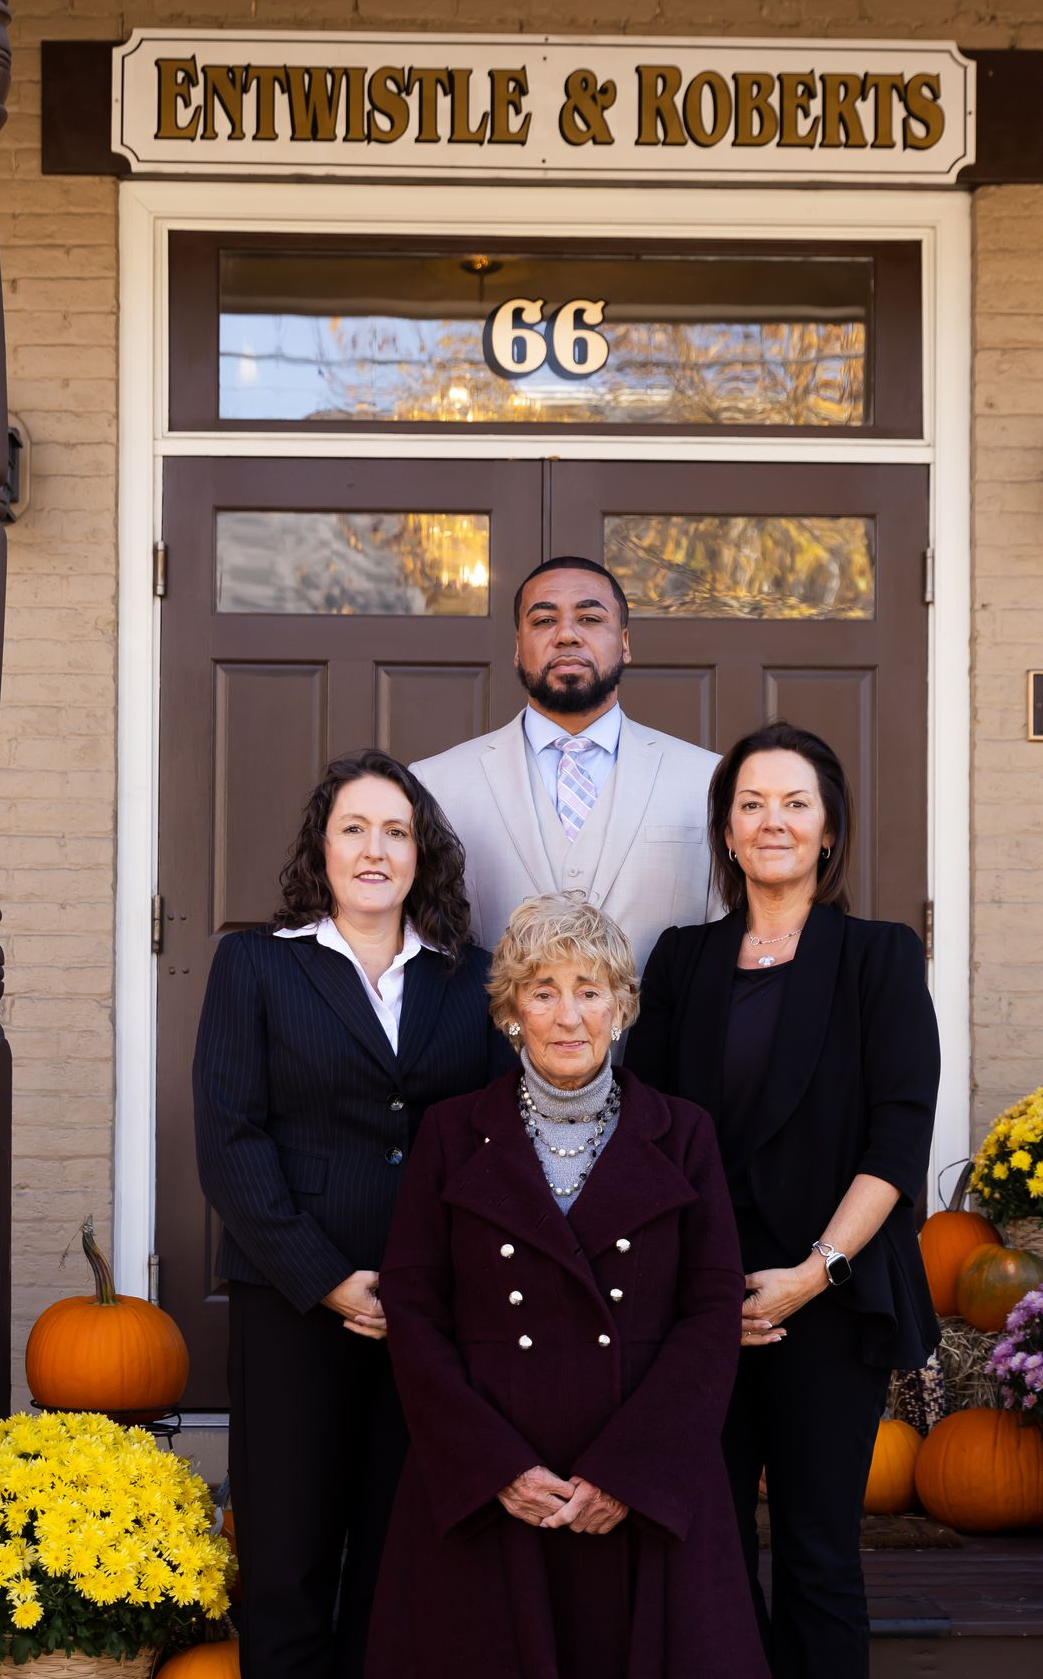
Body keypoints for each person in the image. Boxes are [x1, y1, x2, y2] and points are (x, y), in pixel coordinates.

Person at [367, 893, 769, 1679]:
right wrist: (494, 1469)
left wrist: (632, 1473)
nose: (568, 1014)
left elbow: (712, 1308)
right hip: (496, 1485)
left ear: (621, 1009)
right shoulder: (451, 1134)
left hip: (640, 1484)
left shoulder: (683, 1133)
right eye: (543, 990)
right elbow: (414, 1309)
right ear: (512, 1010)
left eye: (590, 990)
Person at [623, 722, 940, 1679]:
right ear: (726, 830)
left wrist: (815, 1272)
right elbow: (650, 1136)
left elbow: (898, 1139)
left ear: (830, 828)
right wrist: (712, 1289)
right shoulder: (681, 961)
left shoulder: (879, 957)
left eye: (796, 803)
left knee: (817, 1554)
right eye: (752, 803)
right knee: (706, 1555)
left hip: (830, 1293)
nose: (774, 822)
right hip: (704, 1300)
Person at [192, 747, 510, 1679]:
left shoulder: (471, 977)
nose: (376, 849)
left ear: (424, 854)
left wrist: (438, 1281)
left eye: (397, 831)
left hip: (430, 1315)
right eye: (355, 828)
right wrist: (327, 1279)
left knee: (398, 1556)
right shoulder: (255, 964)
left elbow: (496, 1141)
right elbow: (230, 1138)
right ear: (321, 849)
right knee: (287, 1561)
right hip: (293, 1301)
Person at [411, 555, 719, 971]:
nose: (567, 635)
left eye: (590, 619)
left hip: (662, 1037)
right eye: (543, 621)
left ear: (625, 643)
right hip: (488, 1036)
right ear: (518, 648)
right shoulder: (435, 783)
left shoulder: (708, 780)